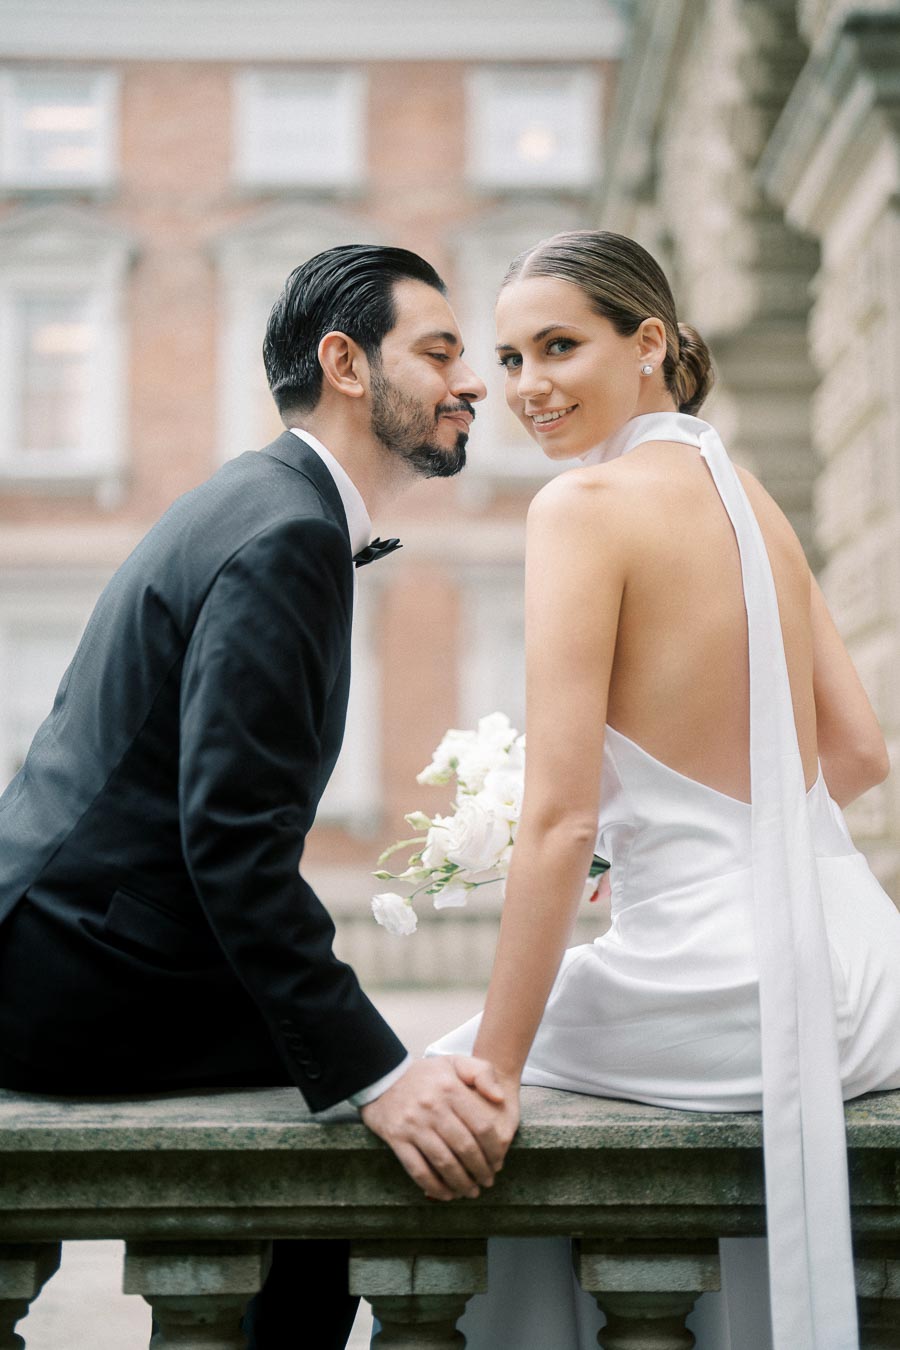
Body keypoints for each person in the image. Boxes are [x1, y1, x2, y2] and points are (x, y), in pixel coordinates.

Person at [0, 243, 517, 1350]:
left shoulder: (256, 499)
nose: (473, 382)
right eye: (439, 352)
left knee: (341, 1084)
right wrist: (378, 1076)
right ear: (345, 363)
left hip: (69, 941)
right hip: (76, 975)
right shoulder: (286, 533)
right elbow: (231, 838)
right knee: (362, 1115)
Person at [428, 229, 900, 1350]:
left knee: (426, 1089)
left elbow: (557, 819)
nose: (529, 387)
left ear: (649, 344)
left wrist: (496, 1074)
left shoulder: (580, 511)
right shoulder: (747, 495)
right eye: (507, 361)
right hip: (869, 979)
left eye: (558, 347)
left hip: (724, 988)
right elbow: (864, 753)